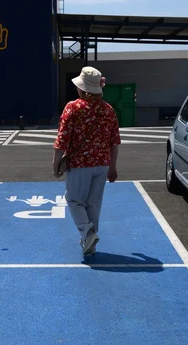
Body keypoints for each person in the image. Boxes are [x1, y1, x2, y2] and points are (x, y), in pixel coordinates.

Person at [53, 67, 121, 256]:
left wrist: (55, 163)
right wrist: (113, 167)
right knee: (93, 203)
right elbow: (114, 141)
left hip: (80, 163)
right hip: (102, 163)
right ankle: (89, 241)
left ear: (82, 89)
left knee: (74, 200)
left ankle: (88, 233)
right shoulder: (108, 109)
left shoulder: (73, 107)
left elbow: (62, 138)